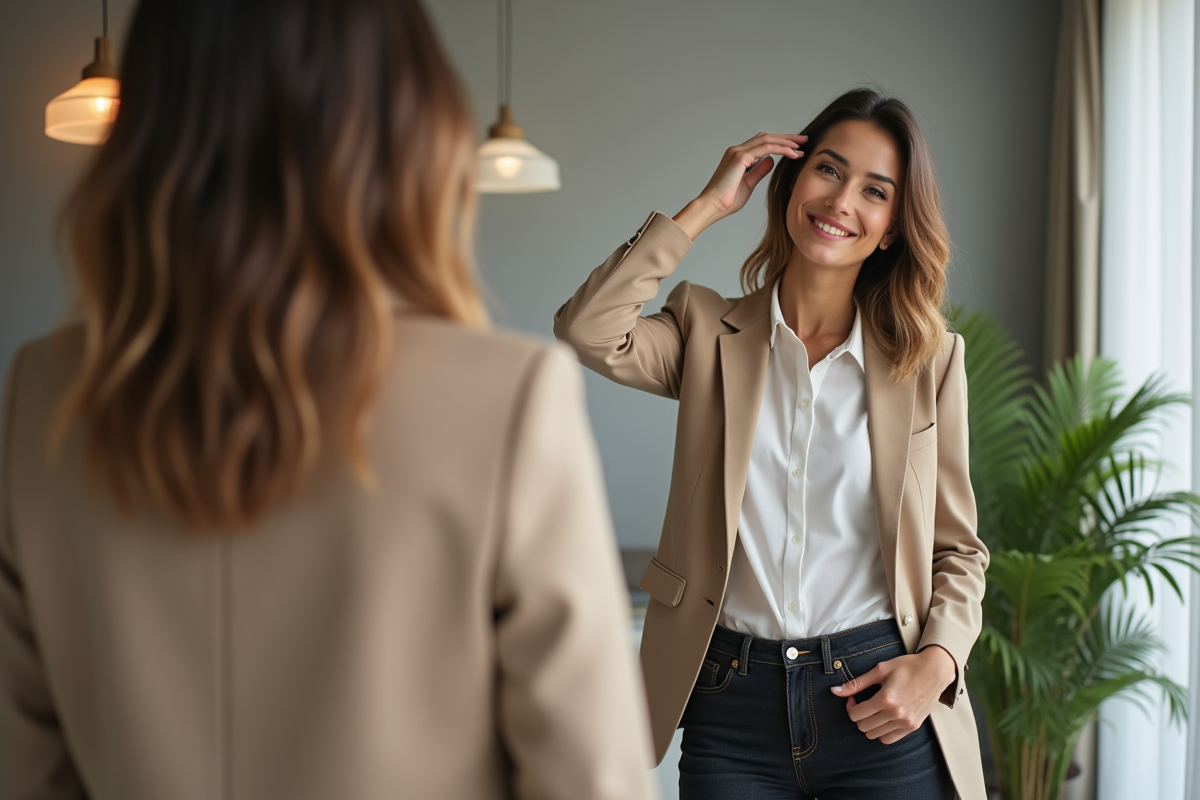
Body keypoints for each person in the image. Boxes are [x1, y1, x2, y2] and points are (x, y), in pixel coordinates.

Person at [0, 1, 658, 798]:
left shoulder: (43, 394)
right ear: (412, 120)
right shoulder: (508, 398)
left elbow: (27, 769)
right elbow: (591, 781)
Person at [554, 88, 989, 800]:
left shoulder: (929, 360)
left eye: (874, 191)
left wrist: (938, 661)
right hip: (732, 705)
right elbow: (587, 330)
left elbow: (959, 550)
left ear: (888, 230)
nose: (842, 200)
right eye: (828, 169)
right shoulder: (704, 332)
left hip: (878, 696)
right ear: (790, 183)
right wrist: (704, 208)